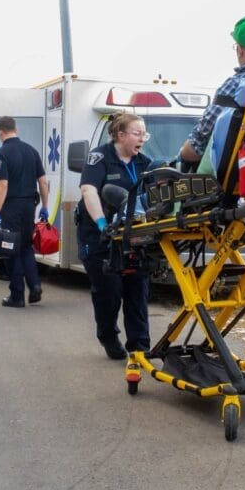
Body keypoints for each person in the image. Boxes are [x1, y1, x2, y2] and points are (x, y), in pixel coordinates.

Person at [77, 113, 153, 360]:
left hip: (133, 236)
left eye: (144, 134)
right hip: (100, 236)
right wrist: (101, 224)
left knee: (137, 290)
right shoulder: (100, 157)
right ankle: (108, 336)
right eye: (137, 133)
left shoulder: (145, 163)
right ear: (121, 135)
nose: (142, 138)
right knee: (108, 293)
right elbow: (89, 191)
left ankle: (140, 346)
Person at [178, 14, 245, 166]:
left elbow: (197, 147)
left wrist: (181, 156)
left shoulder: (236, 85)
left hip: (239, 179)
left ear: (239, 50)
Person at [0, 117, 49, 307]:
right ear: (16, 129)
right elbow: (43, 182)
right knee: (25, 247)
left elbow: (3, 185)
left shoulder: (1, 153)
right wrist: (45, 206)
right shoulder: (32, 151)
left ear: (0, 131)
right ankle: (35, 286)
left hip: (11, 207)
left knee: (11, 248)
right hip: (29, 206)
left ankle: (17, 296)